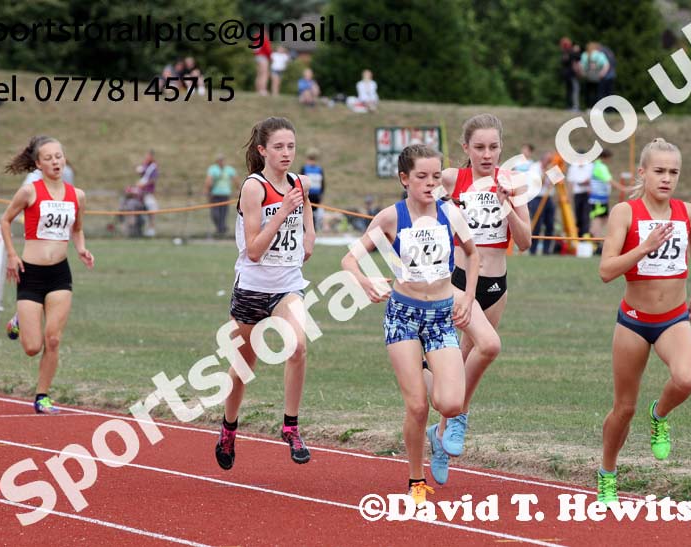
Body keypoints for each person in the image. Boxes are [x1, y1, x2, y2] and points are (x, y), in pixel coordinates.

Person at [341, 144, 479, 505]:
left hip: (441, 316)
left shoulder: (450, 213)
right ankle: (416, 479)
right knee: (417, 405)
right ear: (404, 179)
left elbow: (473, 253)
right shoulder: (390, 217)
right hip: (403, 316)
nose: (430, 183)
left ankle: (439, 432)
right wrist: (365, 281)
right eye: (421, 177)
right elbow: (349, 260)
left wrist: (467, 297)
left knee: (450, 403)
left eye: (436, 176)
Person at [596, 138, 691, 505]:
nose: (666, 178)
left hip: (674, 318)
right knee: (623, 409)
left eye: (673, 172)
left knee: (687, 378)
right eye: (659, 171)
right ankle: (608, 472)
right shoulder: (625, 214)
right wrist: (643, 247)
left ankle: (659, 414)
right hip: (633, 322)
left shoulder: (687, 212)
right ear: (642, 172)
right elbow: (606, 271)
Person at [424, 114, 531, 486]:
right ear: (465, 149)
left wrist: (507, 207)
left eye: (494, 147)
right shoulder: (453, 179)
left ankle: (441, 434)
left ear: (501, 148)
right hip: (456, 278)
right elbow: (421, 204)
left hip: (496, 282)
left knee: (472, 355)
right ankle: (456, 419)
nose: (487, 154)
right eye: (479, 147)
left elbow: (525, 240)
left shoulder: (513, 182)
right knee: (482, 348)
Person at [216, 117, 316, 469]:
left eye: (291, 146)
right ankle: (229, 427)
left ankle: (290, 425)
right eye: (278, 147)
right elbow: (255, 250)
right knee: (243, 366)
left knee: (299, 346)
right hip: (252, 289)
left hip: (287, 286)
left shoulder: (300, 183)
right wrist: (283, 213)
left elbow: (305, 217)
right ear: (262, 150)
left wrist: (308, 233)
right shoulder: (254, 187)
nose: (286, 153)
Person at [0, 136, 95, 414]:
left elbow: (76, 229)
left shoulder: (77, 195)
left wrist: (81, 249)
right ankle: (19, 318)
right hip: (31, 274)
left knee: (53, 339)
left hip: (59, 275)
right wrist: (12, 255)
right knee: (32, 347)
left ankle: (42, 396)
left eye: (59, 156)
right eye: (49, 158)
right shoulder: (29, 191)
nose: (56, 161)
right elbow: (5, 220)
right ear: (38, 164)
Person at [521, 145, 555, 255]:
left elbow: (558, 182)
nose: (549, 162)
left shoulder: (553, 167)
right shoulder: (534, 167)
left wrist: (556, 171)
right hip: (536, 198)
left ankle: (546, 250)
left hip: (548, 198)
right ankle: (533, 250)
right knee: (537, 224)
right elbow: (538, 183)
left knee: (550, 225)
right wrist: (546, 172)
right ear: (543, 159)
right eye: (548, 160)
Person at [204, 154, 237, 237]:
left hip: (225, 194)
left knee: (223, 213)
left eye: (222, 160)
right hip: (215, 194)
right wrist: (207, 192)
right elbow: (208, 181)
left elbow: (235, 179)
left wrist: (239, 189)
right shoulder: (213, 169)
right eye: (219, 160)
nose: (221, 162)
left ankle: (221, 230)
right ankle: (220, 228)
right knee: (215, 214)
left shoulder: (229, 169)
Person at [567, 155, 594, 238]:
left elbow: (593, 179)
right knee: (578, 215)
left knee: (586, 216)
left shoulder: (590, 166)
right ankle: (578, 237)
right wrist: (569, 195)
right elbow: (570, 182)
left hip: (587, 194)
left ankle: (585, 236)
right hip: (577, 194)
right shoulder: (573, 167)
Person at [135, 150, 159, 237]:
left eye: (148, 156)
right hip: (142, 193)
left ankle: (151, 229)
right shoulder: (146, 166)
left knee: (152, 209)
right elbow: (140, 173)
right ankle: (146, 229)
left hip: (148, 193)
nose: (146, 158)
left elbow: (153, 180)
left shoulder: (153, 167)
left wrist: (143, 184)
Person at [559, 37, 581, 111]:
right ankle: (575, 106)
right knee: (575, 90)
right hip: (572, 74)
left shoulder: (564, 53)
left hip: (565, 74)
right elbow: (578, 59)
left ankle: (568, 106)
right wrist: (577, 51)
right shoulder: (572, 52)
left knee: (568, 91)